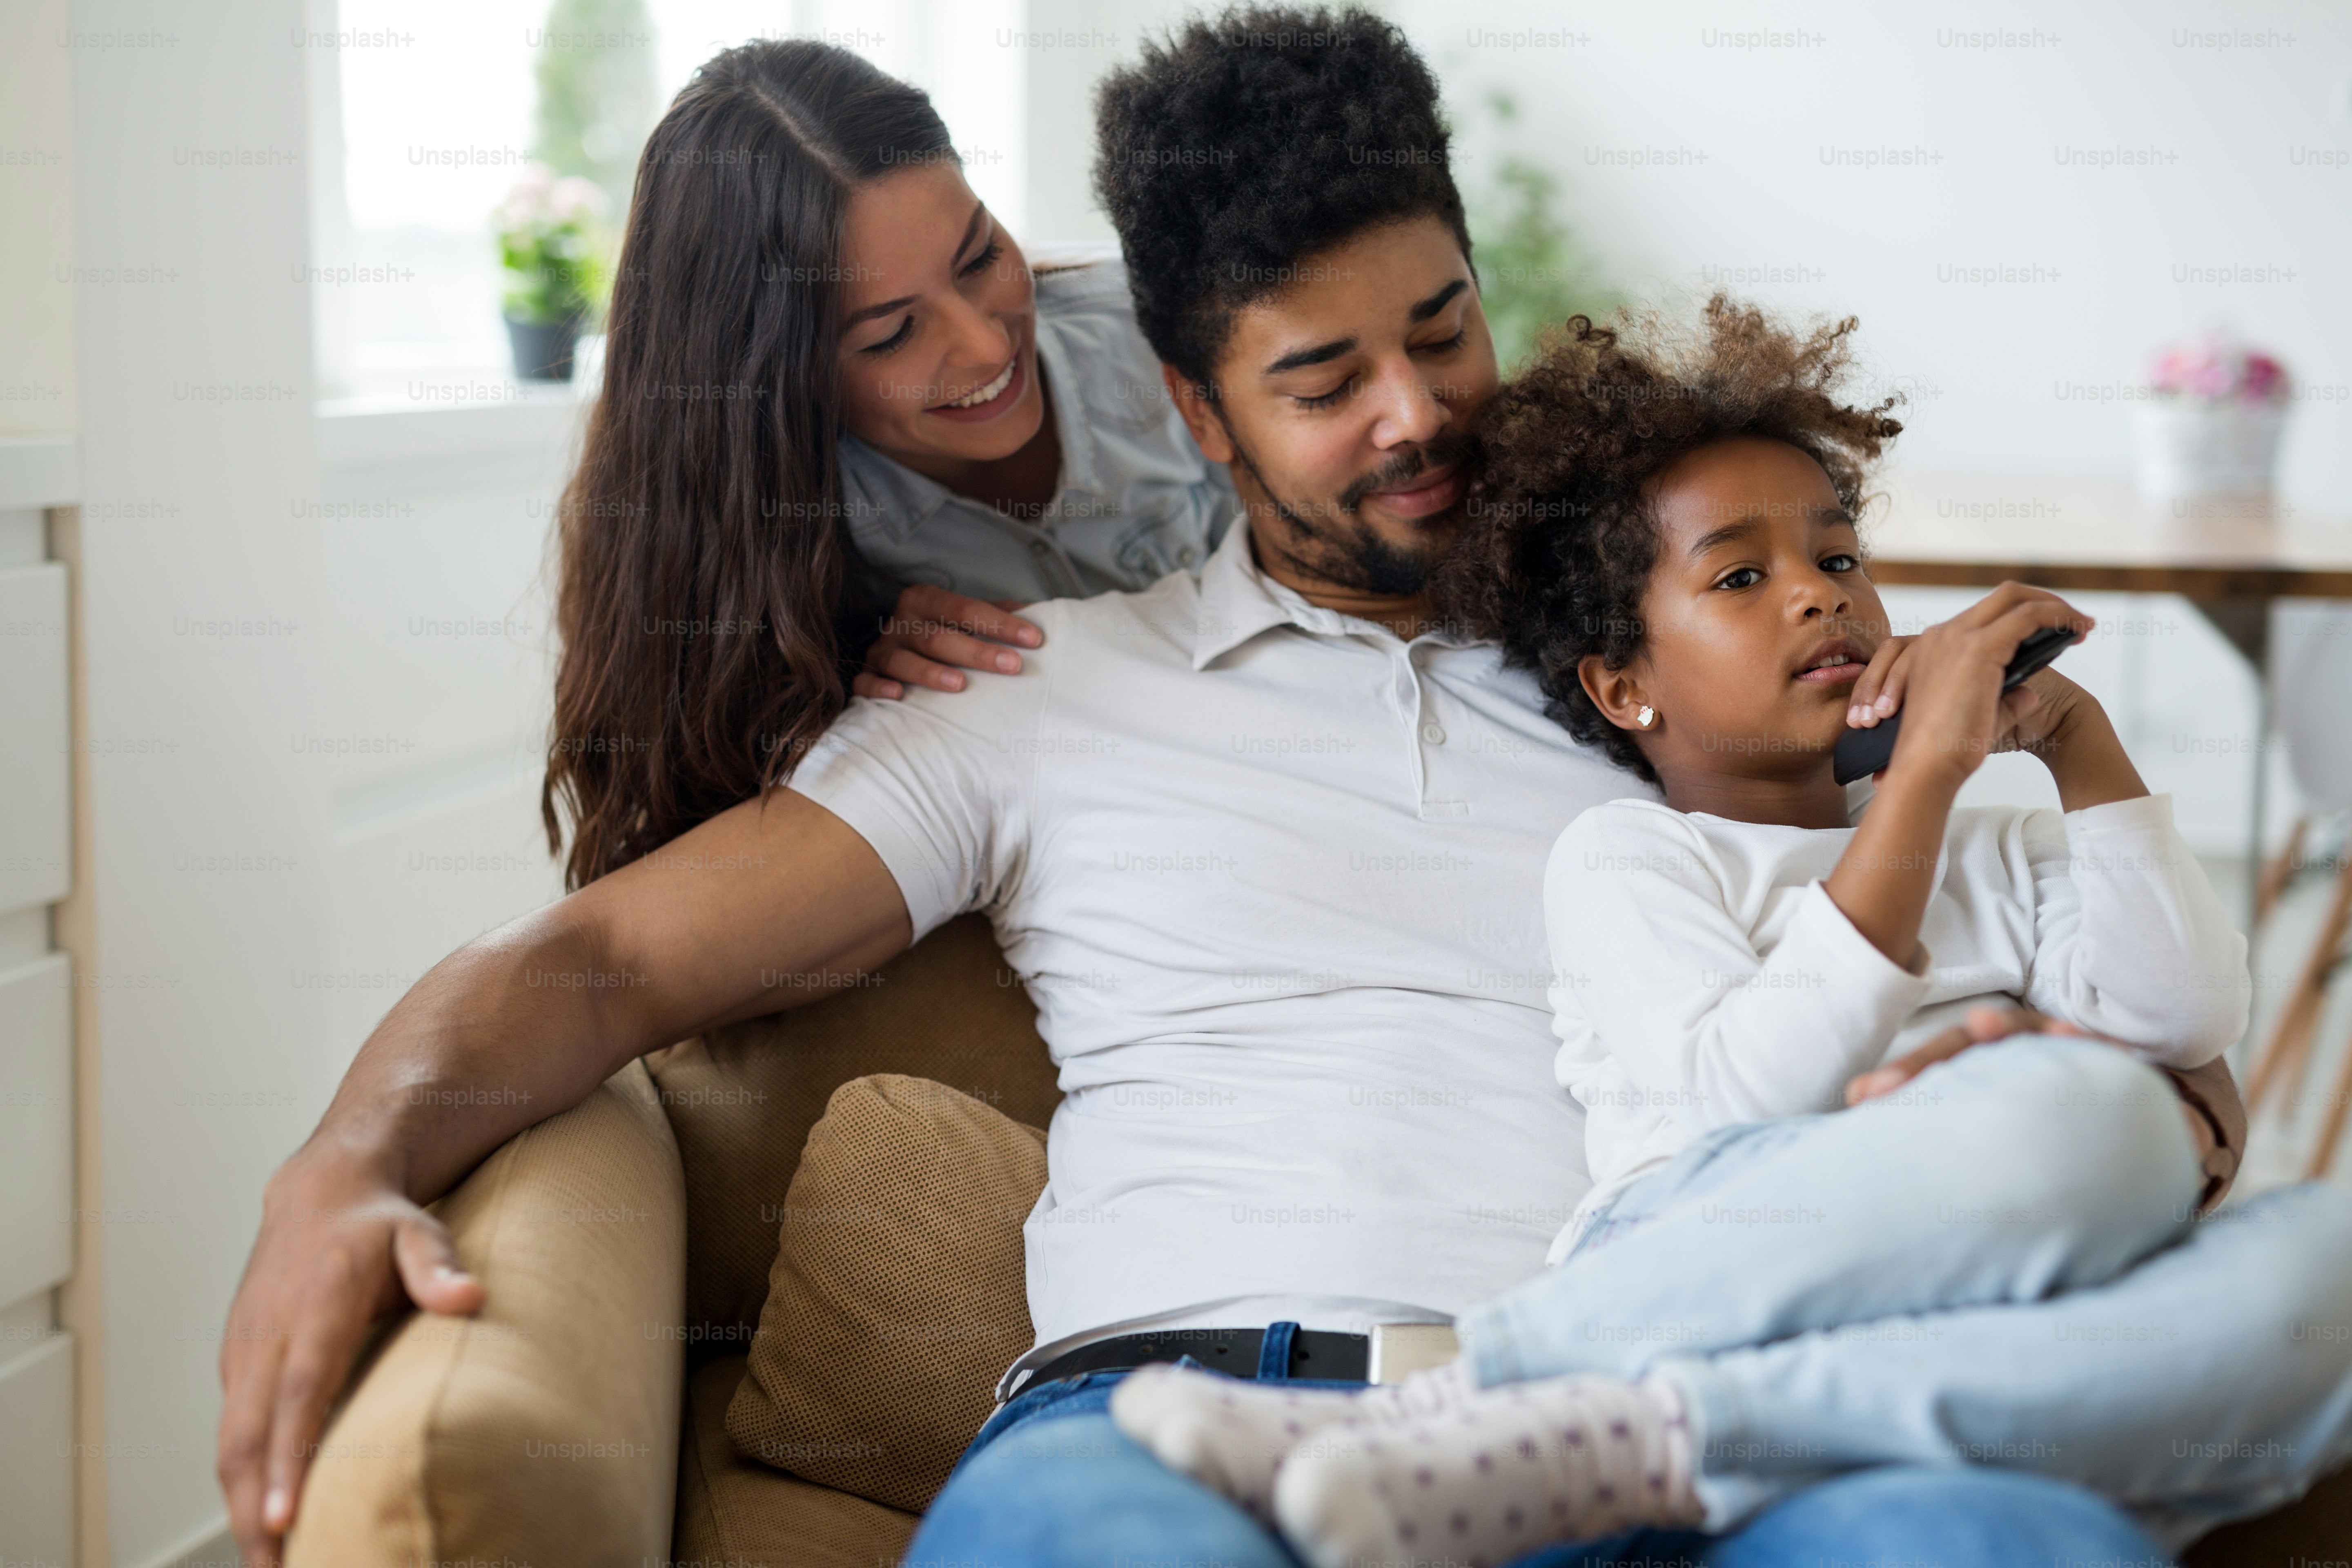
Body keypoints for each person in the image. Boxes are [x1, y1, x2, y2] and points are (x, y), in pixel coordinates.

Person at [216, 12, 2218, 1567]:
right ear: (1193, 406)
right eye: (1323, 379)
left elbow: (2024, 961)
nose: (1412, 411)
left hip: (1655, 1415)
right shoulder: (1025, 692)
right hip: (1161, 1425)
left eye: (1440, 334)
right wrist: (344, 1158)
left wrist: (2152, 1105)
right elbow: (591, 969)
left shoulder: (1681, 695)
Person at [1109, 302, 2352, 1568]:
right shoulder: (1635, 857)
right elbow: (1745, 1097)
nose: (1820, 595)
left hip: (1962, 1300)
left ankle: (1639, 1442)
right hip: (1707, 1257)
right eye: (1742, 577)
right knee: (2099, 1118)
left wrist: (2079, 745)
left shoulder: (2006, 843)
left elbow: (2186, 1014)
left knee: (2330, 1259)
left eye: (1842, 559)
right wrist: (1923, 780)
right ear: (1624, 685)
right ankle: (1481, 1380)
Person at [542, 36, 1233, 888]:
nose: (986, 346)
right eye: (892, 334)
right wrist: (845, 701)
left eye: (980, 256)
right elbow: (711, 862)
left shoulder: (1164, 330)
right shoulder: (766, 527)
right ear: (777, 380)